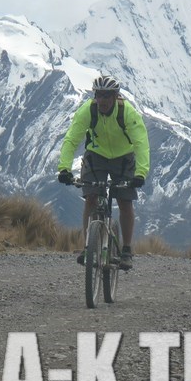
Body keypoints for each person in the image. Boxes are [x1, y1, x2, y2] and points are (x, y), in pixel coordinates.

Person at [57, 74, 150, 270]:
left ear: (116, 96)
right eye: (99, 95)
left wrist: (140, 174)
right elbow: (71, 139)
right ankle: (88, 246)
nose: (103, 100)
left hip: (123, 157)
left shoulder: (127, 113)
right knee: (91, 197)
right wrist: (64, 168)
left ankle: (126, 249)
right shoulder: (88, 111)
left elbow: (141, 144)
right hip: (96, 155)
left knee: (125, 201)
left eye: (107, 96)